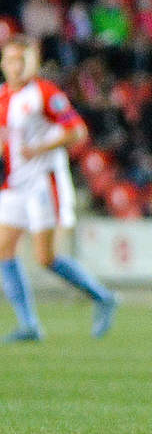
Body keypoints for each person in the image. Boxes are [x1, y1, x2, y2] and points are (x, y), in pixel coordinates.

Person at [0, 36, 118, 342]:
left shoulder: (45, 93)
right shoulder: (2, 96)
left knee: (45, 257)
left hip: (43, 181)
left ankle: (102, 296)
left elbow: (77, 131)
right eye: (11, 59)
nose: (16, 66)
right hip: (13, 183)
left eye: (22, 59)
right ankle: (29, 325)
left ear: (33, 62)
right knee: (3, 250)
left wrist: (41, 147)